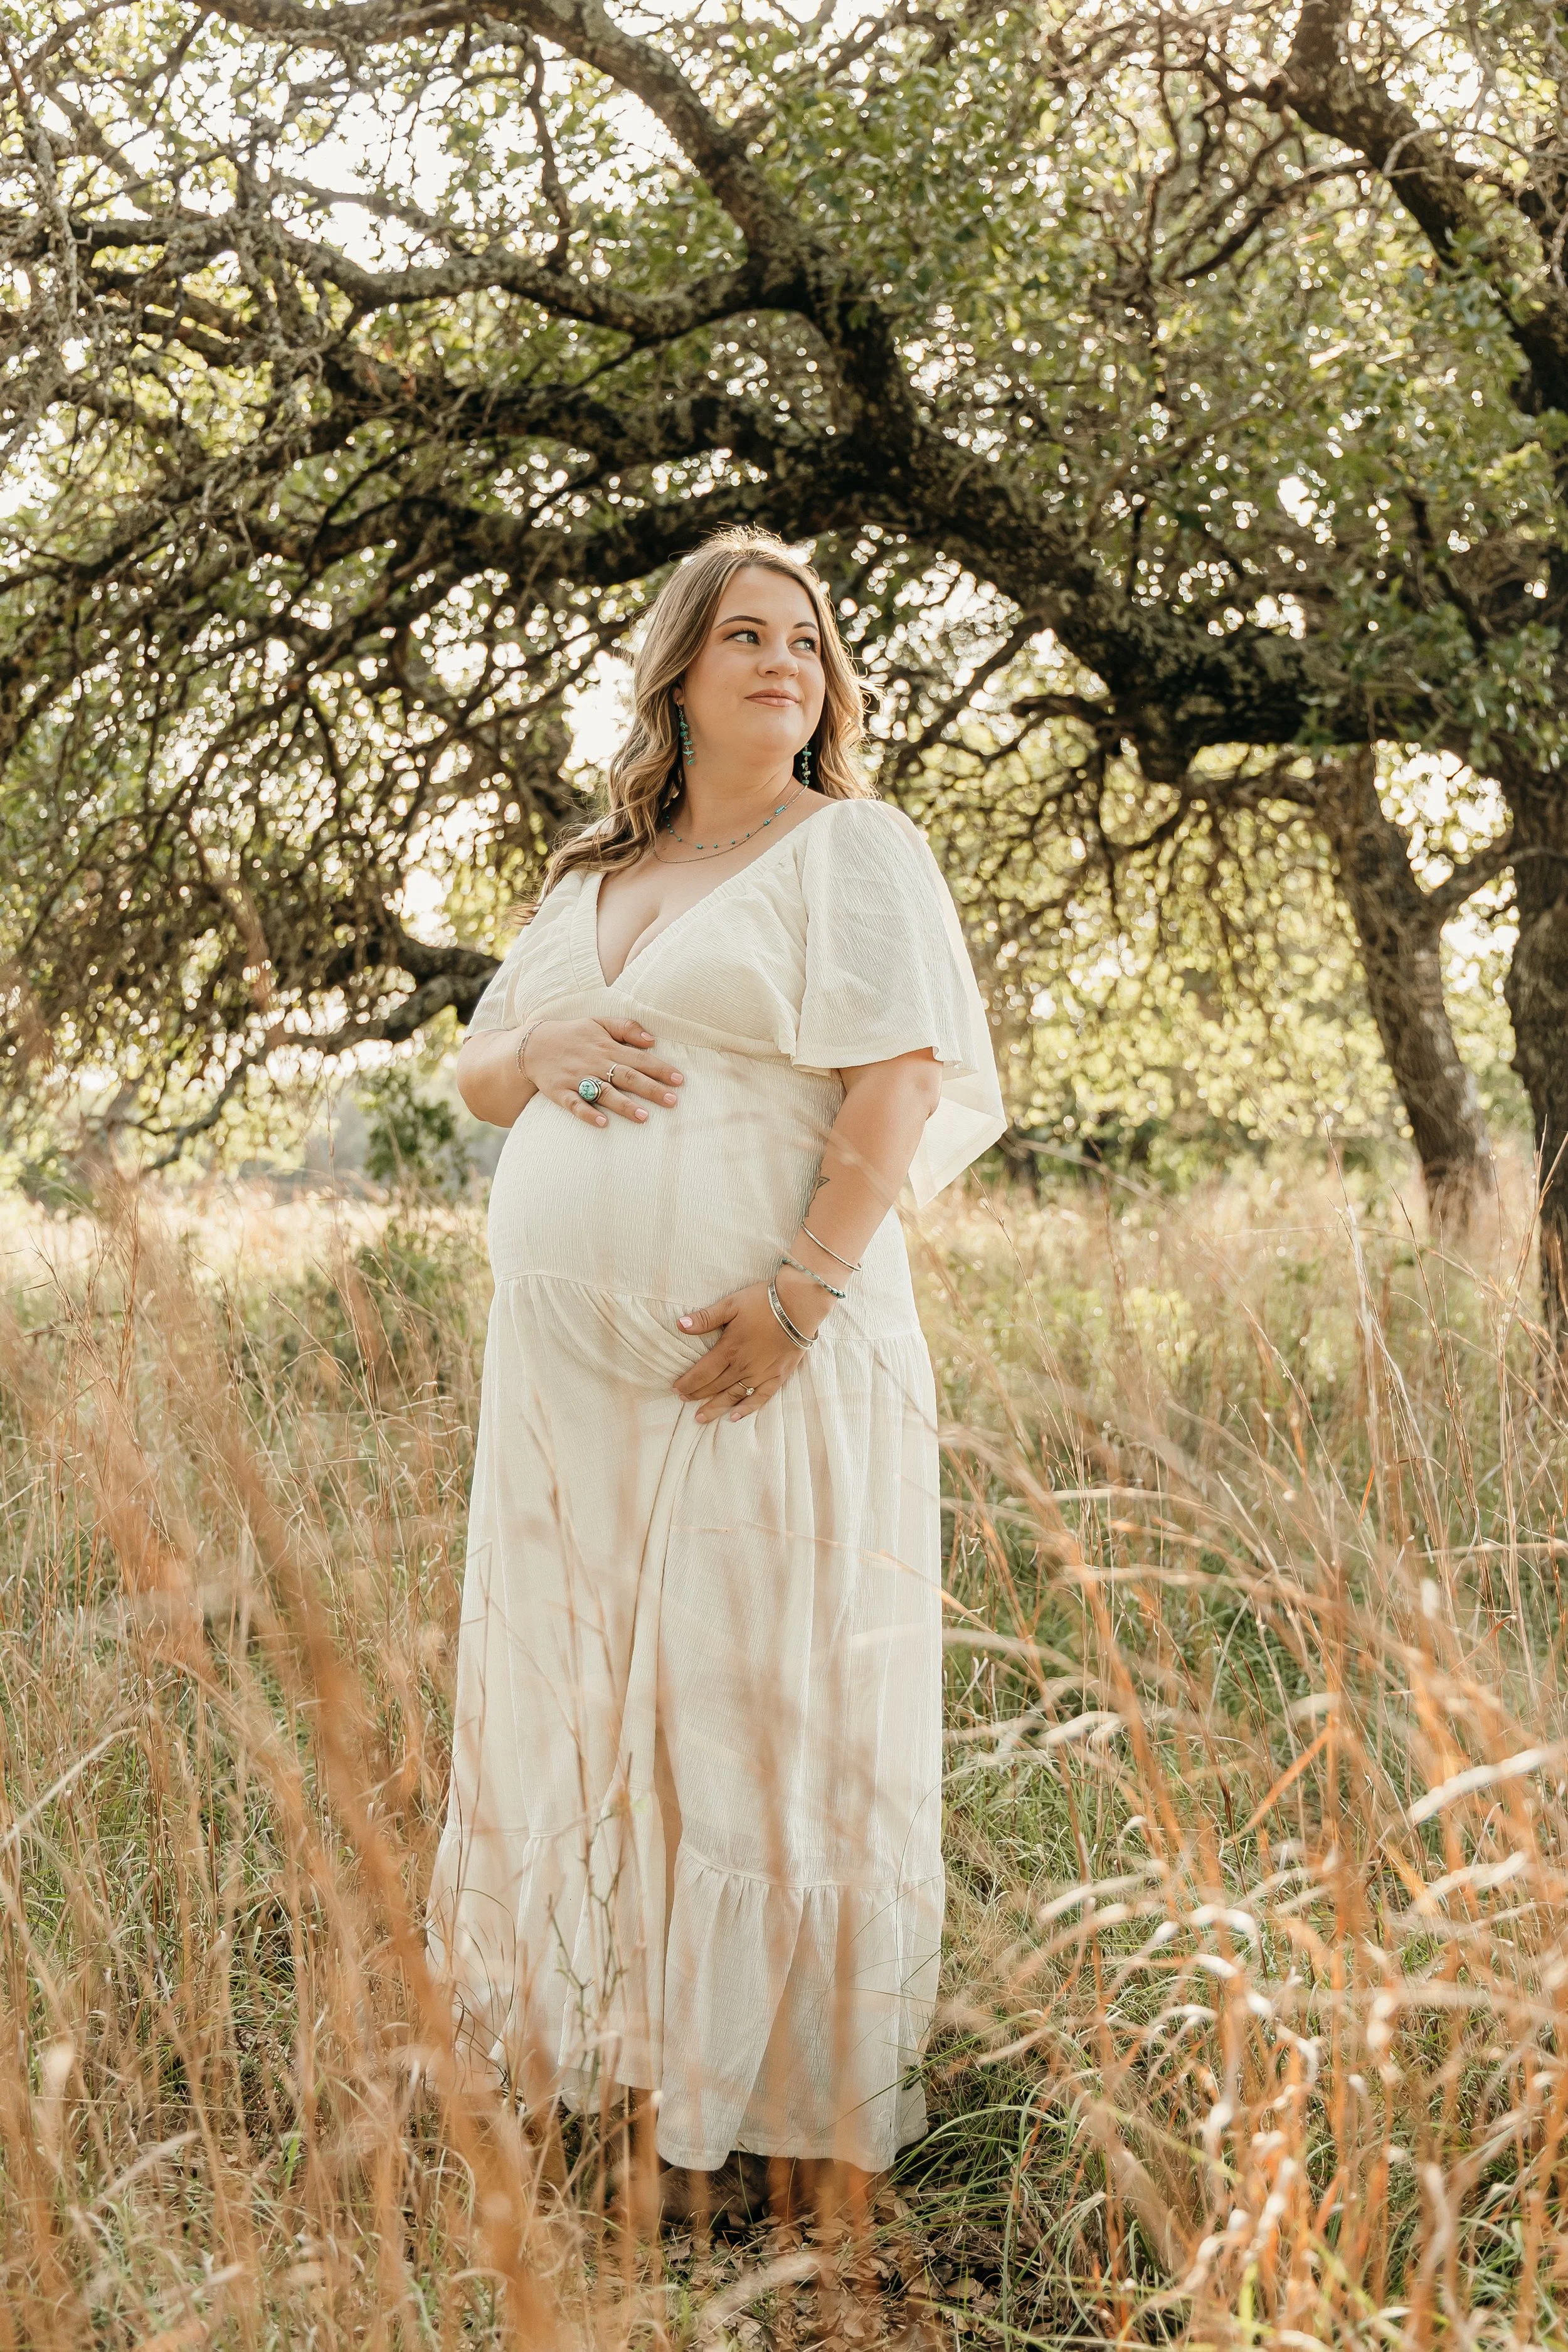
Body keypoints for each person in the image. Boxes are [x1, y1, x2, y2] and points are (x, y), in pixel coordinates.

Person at [427, 529, 1005, 2219]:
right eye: (747, 635)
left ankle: (772, 2127)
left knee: (756, 1706)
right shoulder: (589, 877)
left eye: (807, 643)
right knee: (590, 1706)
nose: (783, 664)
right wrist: (535, 1047)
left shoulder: (853, 850)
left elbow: (900, 1080)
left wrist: (799, 1296)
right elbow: (479, 1073)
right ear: (677, 670)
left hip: (768, 1356)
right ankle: (617, 2096)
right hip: (565, 1392)